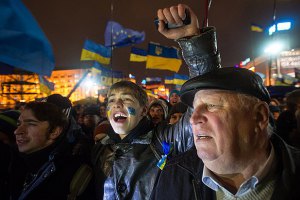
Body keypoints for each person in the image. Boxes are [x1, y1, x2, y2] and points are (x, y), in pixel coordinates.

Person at [92, 3, 221, 199]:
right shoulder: (97, 150)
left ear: (144, 110)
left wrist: (192, 40)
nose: (117, 105)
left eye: (126, 100)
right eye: (112, 100)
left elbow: (205, 101)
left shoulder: (164, 142)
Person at [151, 66, 300, 199]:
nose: (193, 119)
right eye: (195, 109)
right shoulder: (173, 175)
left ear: (259, 116)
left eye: (212, 105)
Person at [10, 102, 94, 199]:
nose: (17, 131)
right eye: (18, 124)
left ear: (54, 131)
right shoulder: (14, 164)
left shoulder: (71, 175)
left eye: (31, 124)